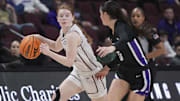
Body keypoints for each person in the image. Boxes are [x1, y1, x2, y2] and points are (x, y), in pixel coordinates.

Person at [31, 4, 107, 101]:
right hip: (79, 72)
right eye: (61, 16)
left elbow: (68, 62)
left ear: (72, 17)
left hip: (92, 74)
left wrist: (48, 53)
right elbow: (56, 47)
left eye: (67, 15)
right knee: (57, 98)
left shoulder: (72, 35)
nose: (64, 18)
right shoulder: (63, 31)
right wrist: (39, 38)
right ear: (57, 19)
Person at [96, 1, 151, 101]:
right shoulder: (110, 31)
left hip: (139, 74)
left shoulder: (122, 27)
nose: (100, 17)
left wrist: (113, 47)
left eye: (100, 14)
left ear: (105, 14)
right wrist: (107, 68)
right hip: (124, 72)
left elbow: (125, 39)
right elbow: (121, 54)